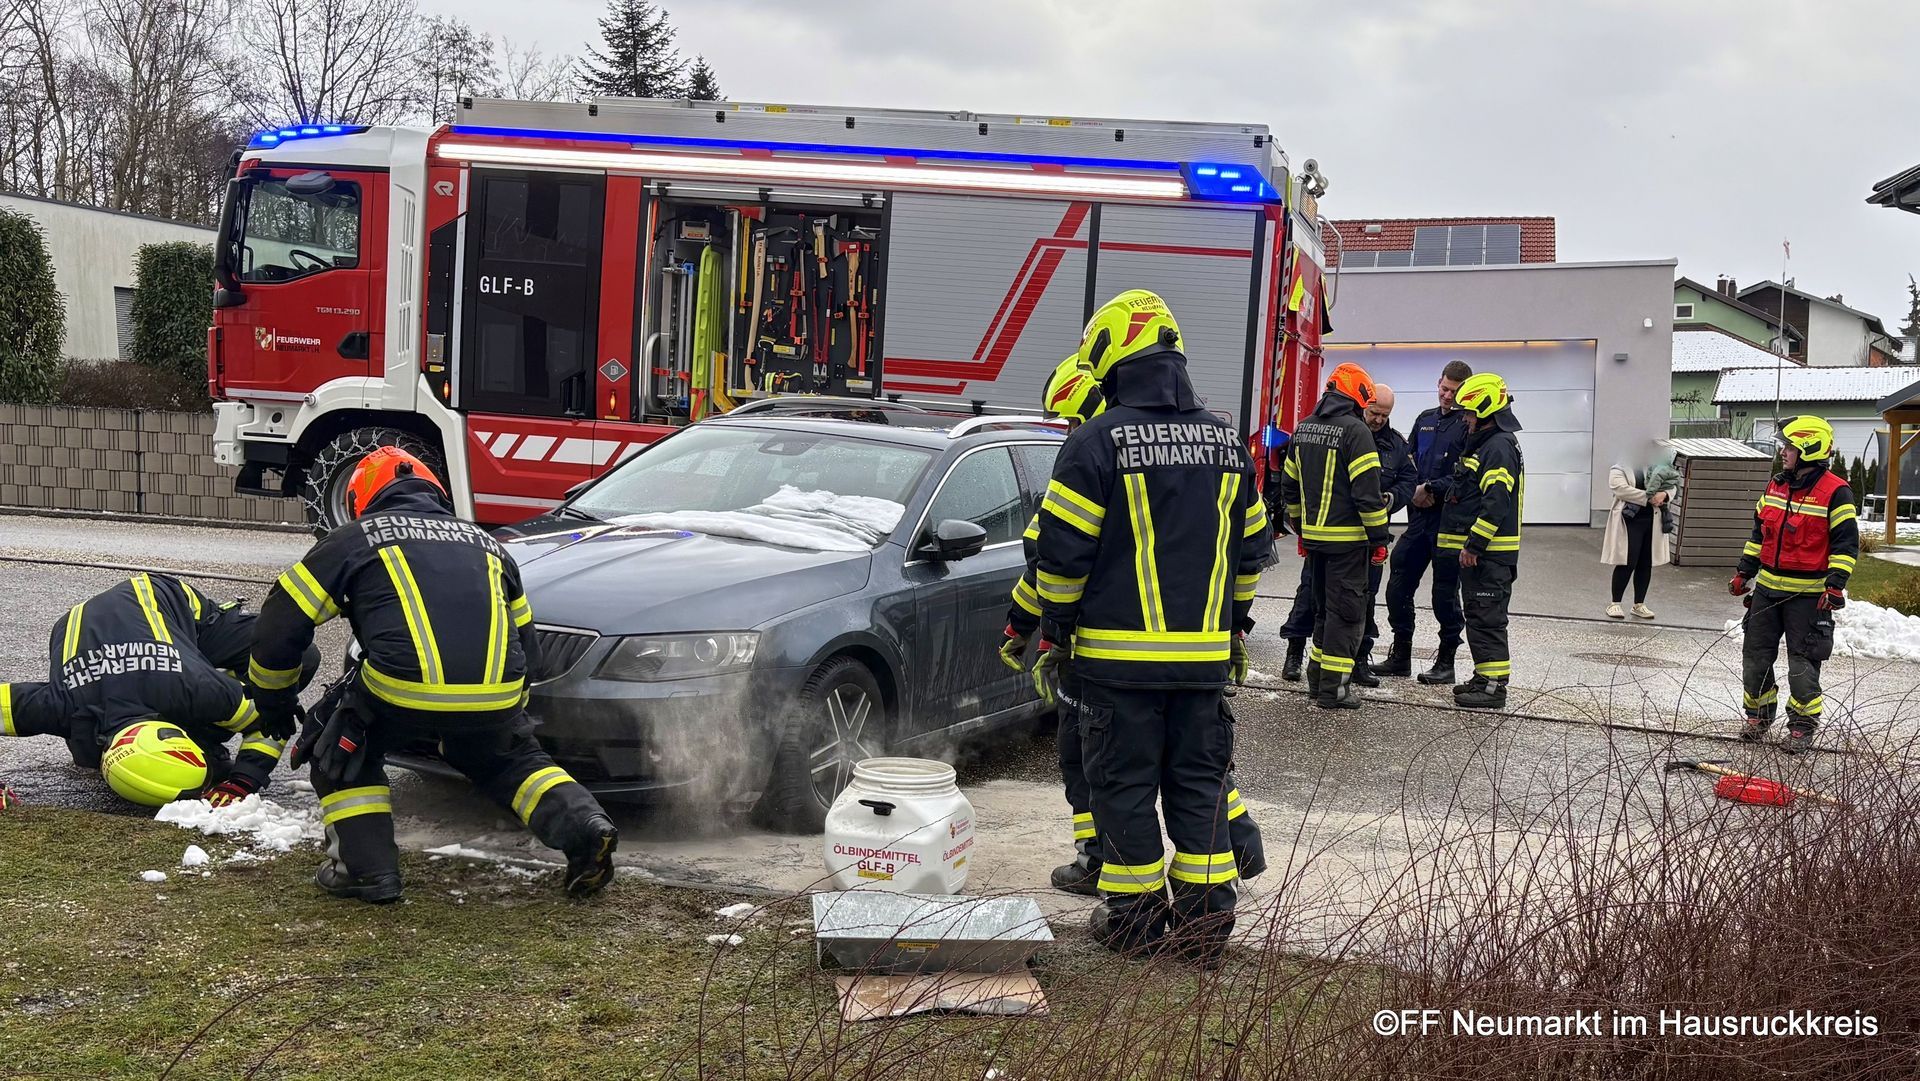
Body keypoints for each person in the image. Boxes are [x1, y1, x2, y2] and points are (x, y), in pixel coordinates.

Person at [247, 447, 618, 903]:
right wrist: (509, 713)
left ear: (363, 499)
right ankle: (586, 828)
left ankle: (365, 871)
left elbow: (280, 623)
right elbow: (528, 644)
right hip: (497, 693)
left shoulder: (354, 539)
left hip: (399, 689)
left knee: (338, 745)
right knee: (509, 757)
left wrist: (274, 700)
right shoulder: (488, 544)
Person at [1027, 289, 1272, 964]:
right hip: (1202, 667)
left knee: (1124, 788)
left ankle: (1134, 922)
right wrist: (1233, 628)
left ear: (1112, 358)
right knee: (1199, 787)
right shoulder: (1227, 443)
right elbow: (1250, 553)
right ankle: (1204, 929)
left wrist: (1055, 633)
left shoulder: (1094, 442)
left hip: (1115, 668)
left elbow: (1062, 559)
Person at [1, 573, 318, 807]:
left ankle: (205, 733)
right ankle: (201, 742)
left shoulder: (197, 689)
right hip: (75, 622)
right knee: (84, 753)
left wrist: (243, 781)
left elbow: (272, 718)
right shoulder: (63, 706)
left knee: (296, 657)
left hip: (162, 601)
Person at [1731, 416, 1857, 755]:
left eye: (1789, 447)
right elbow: (1759, 535)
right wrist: (1744, 572)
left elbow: (1846, 545)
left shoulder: (1836, 492)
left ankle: (1802, 726)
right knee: (1755, 657)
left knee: (1802, 664)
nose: (1783, 452)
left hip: (1808, 597)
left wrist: (1835, 585)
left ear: (1808, 448)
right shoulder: (1776, 486)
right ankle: (1758, 717)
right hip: (1767, 591)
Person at [1278, 384, 1415, 687]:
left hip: (1356, 537)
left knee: (1360, 603)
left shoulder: (1395, 444)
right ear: (1364, 404)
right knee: (1313, 599)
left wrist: (1391, 500)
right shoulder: (1349, 432)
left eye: (1384, 415)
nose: (1378, 419)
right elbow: (1356, 493)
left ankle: (1355, 663)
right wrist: (1379, 539)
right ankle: (1298, 654)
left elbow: (1408, 481)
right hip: (1346, 538)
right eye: (1374, 412)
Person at [1437, 373, 1524, 710]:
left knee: (1487, 619)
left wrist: (1475, 545)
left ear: (1486, 411)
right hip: (1487, 555)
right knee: (1478, 615)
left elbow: (1496, 502)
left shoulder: (1497, 447)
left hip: (1490, 555)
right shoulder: (1490, 443)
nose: (1465, 419)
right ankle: (1482, 677)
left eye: (1470, 413)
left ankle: (1492, 688)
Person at [1382, 360, 1472, 683]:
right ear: (1438, 383)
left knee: (1444, 595)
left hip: (1449, 523)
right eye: (1444, 389)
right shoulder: (1425, 420)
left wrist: (1432, 488)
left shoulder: (1468, 425)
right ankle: (1401, 656)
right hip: (1418, 520)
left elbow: (1468, 474)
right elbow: (1406, 463)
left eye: (1454, 392)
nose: (1447, 396)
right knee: (1398, 582)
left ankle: (1446, 662)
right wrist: (1411, 490)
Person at [1602, 455, 1680, 619]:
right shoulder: (1619, 467)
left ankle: (1639, 604)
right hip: (1629, 521)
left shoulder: (1656, 465)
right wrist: (1649, 497)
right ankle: (1615, 603)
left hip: (1652, 520)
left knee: (1645, 562)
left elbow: (1672, 484)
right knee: (1627, 562)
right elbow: (1620, 489)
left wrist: (1665, 494)